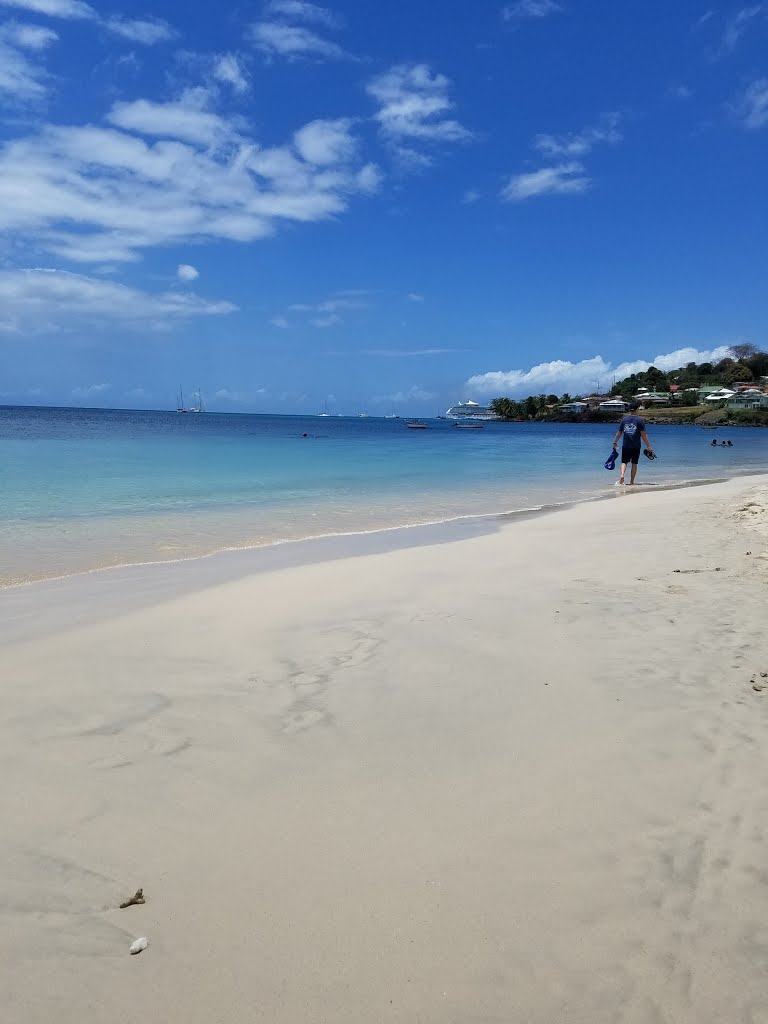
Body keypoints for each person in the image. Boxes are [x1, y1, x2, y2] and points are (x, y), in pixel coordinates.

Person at [611, 403, 654, 485]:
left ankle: (622, 475)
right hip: (636, 445)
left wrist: (615, 442)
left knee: (624, 462)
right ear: (637, 409)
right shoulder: (640, 420)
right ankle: (631, 481)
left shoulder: (624, 419)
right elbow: (643, 434)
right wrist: (648, 446)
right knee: (634, 463)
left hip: (626, 445)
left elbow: (619, 432)